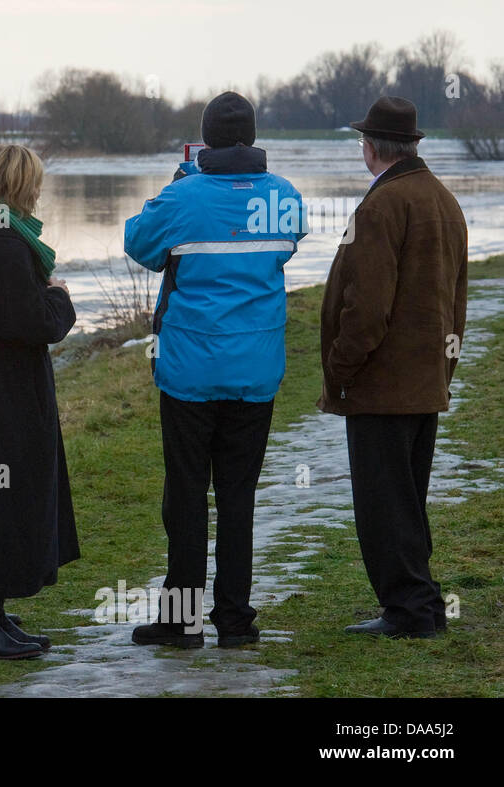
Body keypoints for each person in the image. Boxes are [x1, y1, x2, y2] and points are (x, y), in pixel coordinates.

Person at [123, 92, 306, 649]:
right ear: (252, 138)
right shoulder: (286, 197)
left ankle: (181, 622)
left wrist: (177, 184)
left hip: (189, 373)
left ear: (205, 140)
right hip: (256, 371)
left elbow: (138, 241)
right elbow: (287, 245)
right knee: (238, 498)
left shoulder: (185, 195)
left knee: (185, 498)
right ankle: (235, 620)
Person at [319, 96, 467, 639]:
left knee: (385, 508)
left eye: (362, 141)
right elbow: (458, 302)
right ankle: (420, 607)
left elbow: (367, 309)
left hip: (382, 385)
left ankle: (409, 612)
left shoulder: (381, 207)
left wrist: (340, 368)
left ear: (371, 146)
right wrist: (444, 369)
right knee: (407, 502)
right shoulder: (444, 200)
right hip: (426, 379)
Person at [0, 144, 78, 659]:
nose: (39, 191)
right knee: (0, 506)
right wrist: (59, 295)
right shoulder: (4, 244)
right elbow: (33, 323)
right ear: (21, 184)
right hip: (6, 400)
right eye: (35, 183)